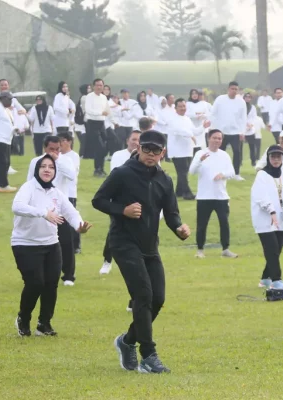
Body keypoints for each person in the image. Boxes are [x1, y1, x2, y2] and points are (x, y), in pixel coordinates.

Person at [93, 130, 191, 373]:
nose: (150, 154)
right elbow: (99, 200)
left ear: (163, 153)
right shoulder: (122, 173)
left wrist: (179, 227)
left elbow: (171, 213)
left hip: (149, 246)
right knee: (143, 296)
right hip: (123, 242)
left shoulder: (165, 180)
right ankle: (148, 355)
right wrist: (122, 210)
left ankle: (127, 341)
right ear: (138, 149)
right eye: (145, 149)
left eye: (155, 151)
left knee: (157, 298)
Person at [12, 154, 91, 337]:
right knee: (35, 283)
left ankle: (44, 323)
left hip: (51, 244)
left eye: (51, 167)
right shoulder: (29, 187)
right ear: (37, 169)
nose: (47, 170)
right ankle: (23, 318)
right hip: (25, 243)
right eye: (44, 166)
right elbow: (17, 206)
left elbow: (71, 212)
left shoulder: (56, 192)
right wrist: (43, 213)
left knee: (51, 284)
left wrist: (79, 226)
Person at [25, 136, 79, 284]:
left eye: (57, 149)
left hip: (60, 209)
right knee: (41, 242)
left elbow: (72, 176)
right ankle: (42, 272)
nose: (55, 152)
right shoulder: (36, 162)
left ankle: (68, 275)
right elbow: (29, 181)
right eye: (51, 149)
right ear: (45, 148)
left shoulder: (65, 160)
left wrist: (57, 161)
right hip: (41, 210)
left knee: (66, 243)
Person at [190, 129, 238, 259]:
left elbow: (232, 172)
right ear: (208, 138)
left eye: (220, 138)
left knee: (224, 222)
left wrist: (223, 175)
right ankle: (200, 250)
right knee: (202, 224)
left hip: (221, 196)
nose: (217, 141)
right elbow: (192, 171)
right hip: (204, 196)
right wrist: (200, 160)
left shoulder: (224, 155)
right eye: (215, 138)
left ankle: (225, 249)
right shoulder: (201, 153)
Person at [100, 130, 141, 276]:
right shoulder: (118, 155)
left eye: (139, 140)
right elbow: (115, 175)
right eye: (133, 139)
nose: (136, 142)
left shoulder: (147, 155)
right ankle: (107, 261)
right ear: (127, 141)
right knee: (114, 230)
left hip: (140, 199)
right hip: (119, 200)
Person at [251, 145, 283, 290]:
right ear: (268, 158)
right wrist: (272, 212)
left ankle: (264, 279)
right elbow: (260, 197)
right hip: (265, 219)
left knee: (277, 249)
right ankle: (276, 280)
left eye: (278, 157)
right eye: (273, 157)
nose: (276, 160)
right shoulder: (262, 175)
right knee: (272, 249)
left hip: (281, 219)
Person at [210, 81, 248, 180]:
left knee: (237, 151)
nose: (234, 91)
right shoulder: (220, 99)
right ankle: (219, 171)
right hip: (221, 132)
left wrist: (242, 132)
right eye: (232, 89)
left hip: (235, 132)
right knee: (219, 152)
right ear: (228, 89)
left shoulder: (241, 102)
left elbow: (243, 118)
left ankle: (236, 173)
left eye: (236, 89)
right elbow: (213, 114)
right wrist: (214, 129)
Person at [57, 132, 81, 254]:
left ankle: (75, 245)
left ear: (69, 141)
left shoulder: (73, 156)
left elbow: (71, 174)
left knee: (71, 218)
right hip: (58, 192)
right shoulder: (57, 156)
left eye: (62, 140)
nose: (60, 143)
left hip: (70, 192)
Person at [85, 79, 111, 177]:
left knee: (106, 146)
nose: (99, 87)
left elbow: (107, 110)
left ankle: (101, 168)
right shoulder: (89, 97)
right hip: (92, 124)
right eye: (97, 85)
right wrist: (100, 113)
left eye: (101, 85)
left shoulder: (104, 97)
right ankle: (97, 169)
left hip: (102, 123)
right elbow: (88, 110)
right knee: (99, 147)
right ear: (93, 86)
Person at [186, 89, 210, 154]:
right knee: (192, 146)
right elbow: (186, 114)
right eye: (193, 94)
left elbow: (208, 114)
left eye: (196, 94)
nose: (194, 95)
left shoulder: (203, 104)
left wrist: (202, 115)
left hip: (201, 127)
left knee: (201, 146)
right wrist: (196, 115)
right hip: (191, 127)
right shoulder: (187, 104)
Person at [243, 93, 262, 166]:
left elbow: (254, 117)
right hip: (242, 129)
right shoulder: (241, 106)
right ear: (244, 98)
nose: (248, 98)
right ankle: (240, 162)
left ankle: (253, 162)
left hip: (250, 129)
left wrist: (251, 124)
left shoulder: (253, 107)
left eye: (249, 97)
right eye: (246, 97)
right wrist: (245, 124)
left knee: (252, 147)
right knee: (239, 147)